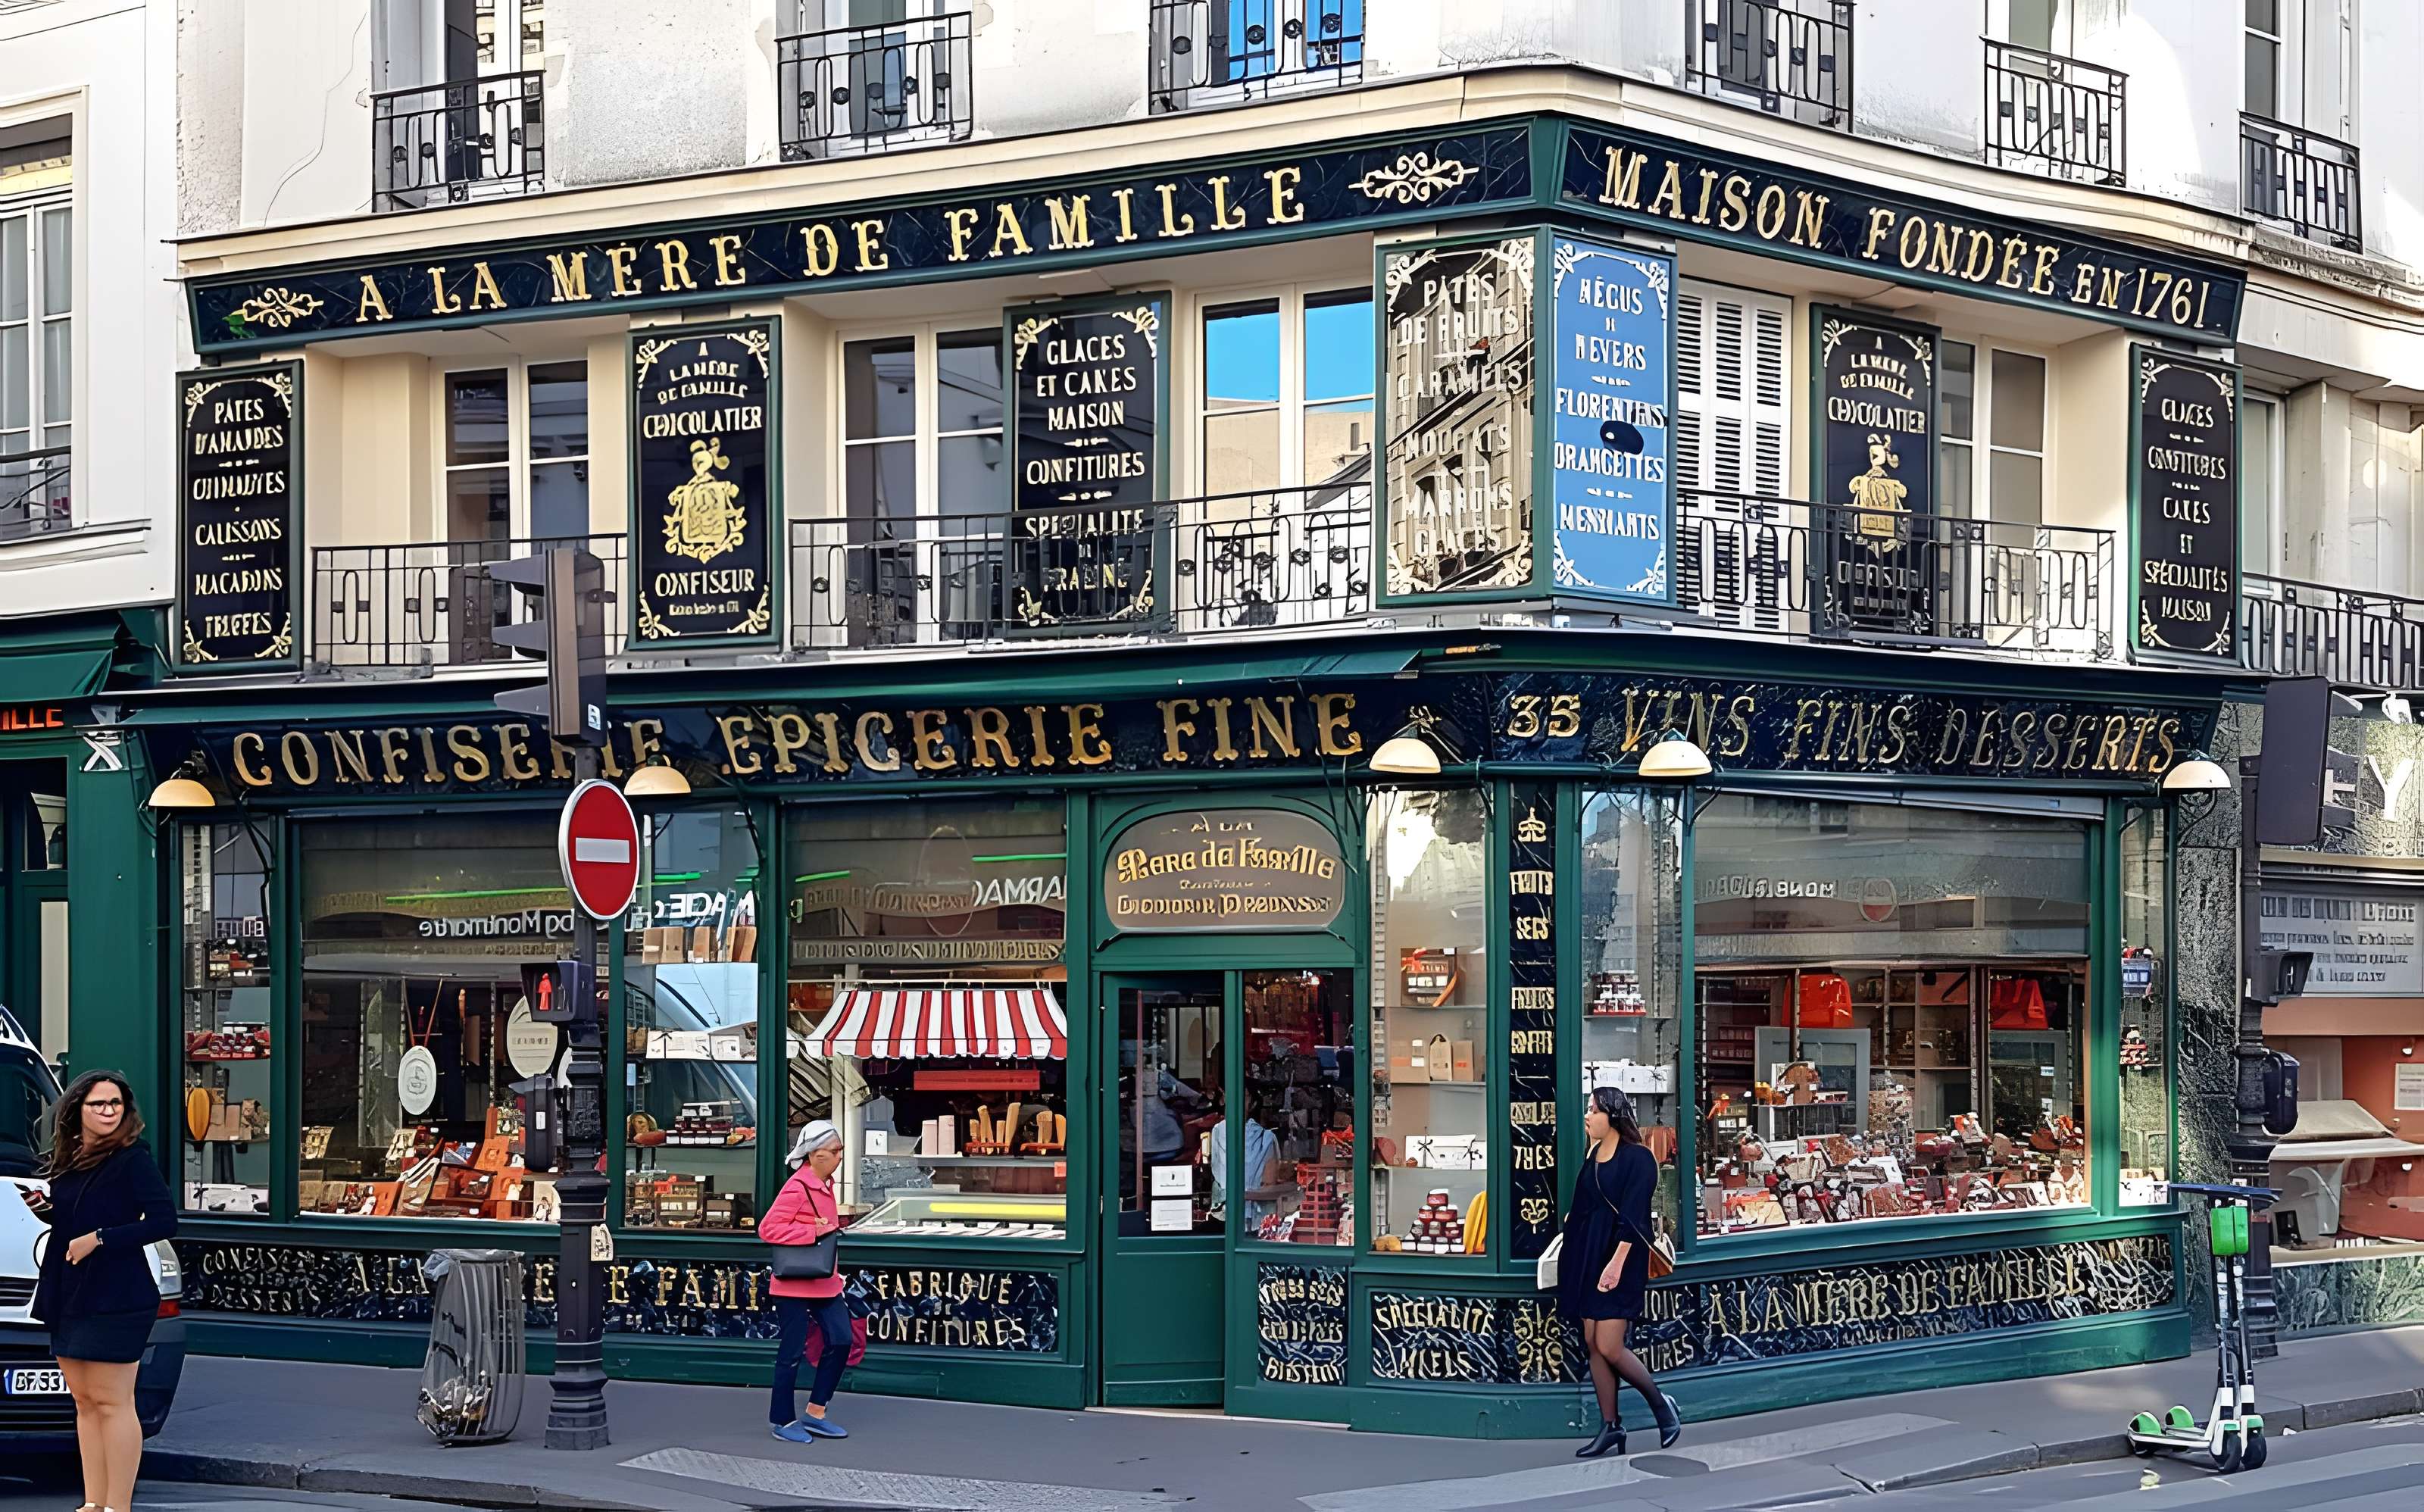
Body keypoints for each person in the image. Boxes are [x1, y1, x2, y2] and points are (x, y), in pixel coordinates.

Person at [17, 1071, 175, 1512]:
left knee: (113, 1401)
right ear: (76, 1111)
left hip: (118, 1293)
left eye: (116, 1104)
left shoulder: (132, 1159)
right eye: (98, 1104)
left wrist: (101, 1238)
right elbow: (77, 1218)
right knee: (85, 1403)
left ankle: (117, 1507)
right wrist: (51, 1211)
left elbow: (164, 1221)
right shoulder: (71, 1159)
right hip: (68, 1291)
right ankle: (93, 1503)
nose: (108, 1112)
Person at [1557, 1086, 1681, 1460]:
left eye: (1593, 1110)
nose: (1587, 1116)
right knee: (1594, 1343)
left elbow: (1634, 1218)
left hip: (1619, 1260)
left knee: (1610, 1345)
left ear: (1612, 1114)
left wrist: (1614, 1265)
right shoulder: (1594, 1154)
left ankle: (1662, 1406)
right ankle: (1611, 1427)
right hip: (1588, 1257)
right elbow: (1582, 1206)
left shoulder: (1639, 1158)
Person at [762, 1120, 852, 1443]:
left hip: (824, 1281)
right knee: (791, 1352)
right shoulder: (797, 1187)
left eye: (840, 1150)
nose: (840, 1156)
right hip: (793, 1285)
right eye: (834, 1150)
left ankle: (816, 1413)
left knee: (842, 1340)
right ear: (814, 1154)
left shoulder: (826, 1185)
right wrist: (814, 1230)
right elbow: (768, 1229)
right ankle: (783, 1421)